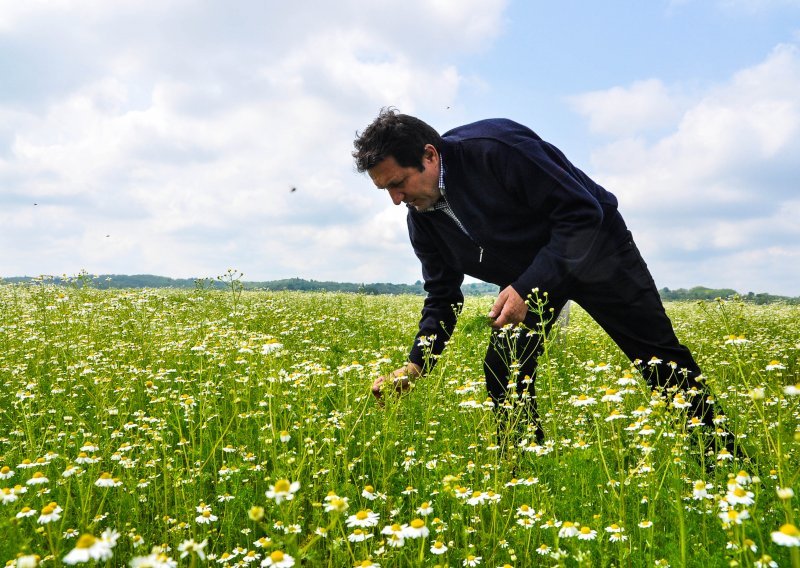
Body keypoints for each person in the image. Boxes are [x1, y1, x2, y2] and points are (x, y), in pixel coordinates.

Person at [352, 108, 739, 459]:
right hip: (529, 278)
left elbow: (582, 212)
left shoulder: (497, 150)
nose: (396, 199)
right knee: (504, 370)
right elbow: (442, 295)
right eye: (385, 189)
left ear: (429, 155)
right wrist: (416, 366)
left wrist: (525, 286)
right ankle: (528, 475)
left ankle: (727, 464)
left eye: (398, 183)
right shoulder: (422, 218)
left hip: (597, 251)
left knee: (660, 361)